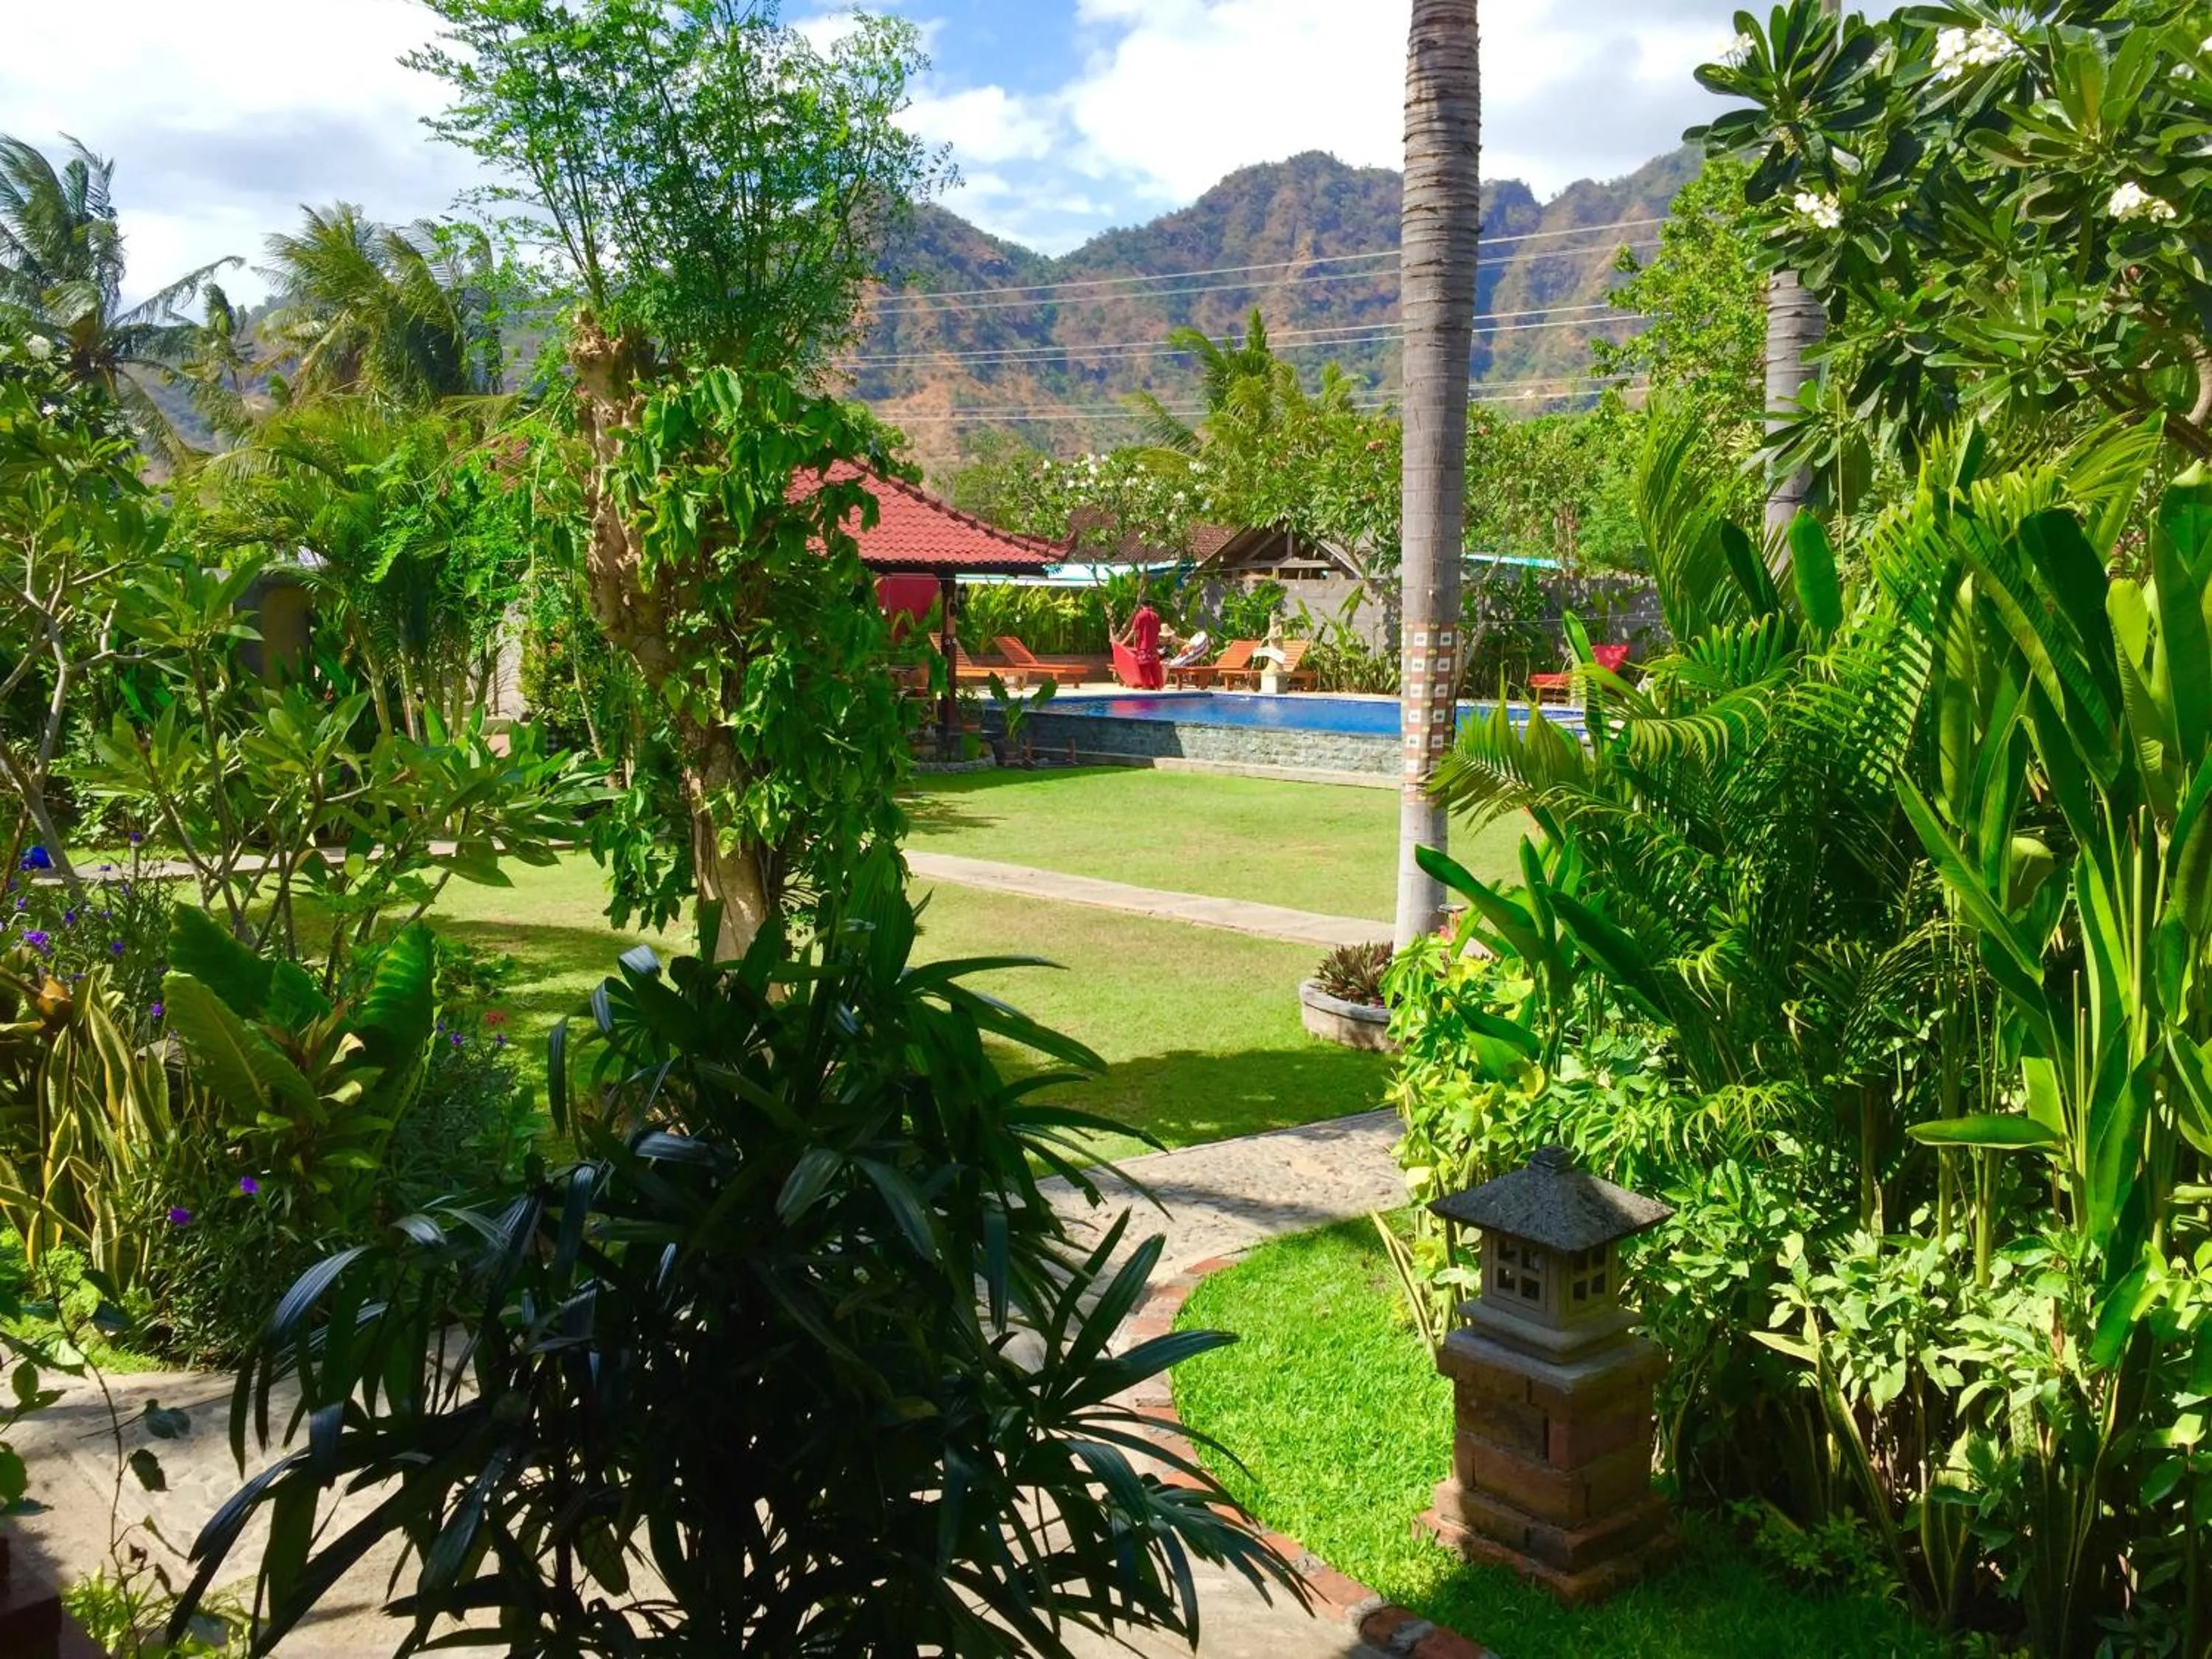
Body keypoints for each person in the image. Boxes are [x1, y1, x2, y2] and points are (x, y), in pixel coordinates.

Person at [1128, 594, 1166, 689]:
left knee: (1144, 667)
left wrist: (1123, 642)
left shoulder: (1140, 616)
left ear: (1142, 605)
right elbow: (1158, 631)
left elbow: (1133, 631)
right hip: (1153, 647)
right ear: (1150, 605)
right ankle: (1157, 686)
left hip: (1143, 646)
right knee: (1154, 667)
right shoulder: (1156, 616)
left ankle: (1146, 686)